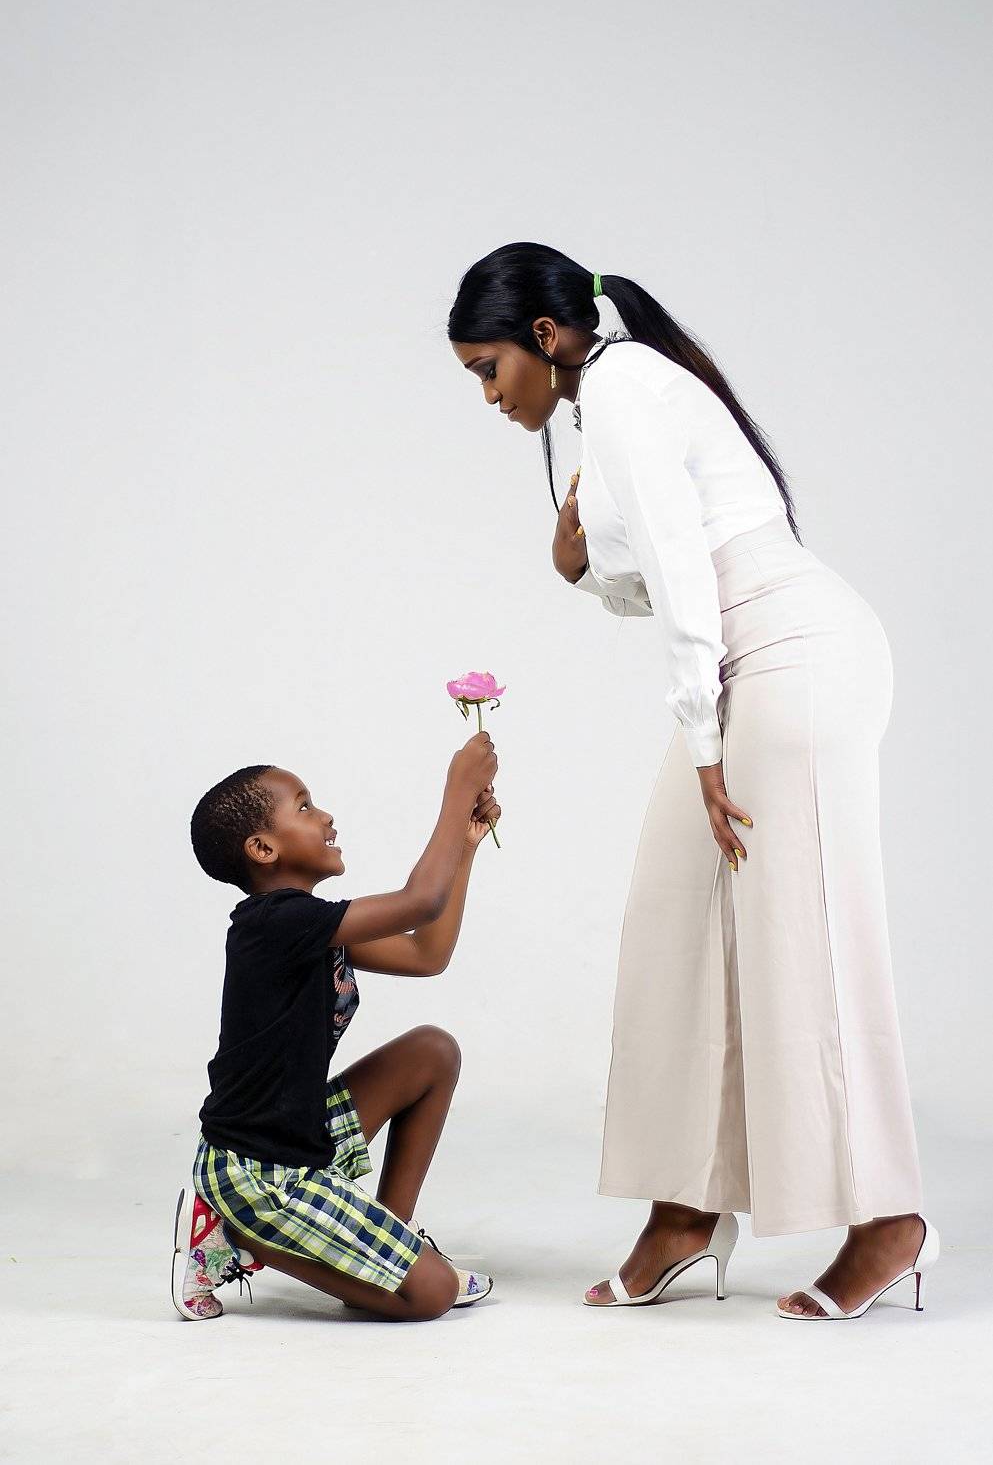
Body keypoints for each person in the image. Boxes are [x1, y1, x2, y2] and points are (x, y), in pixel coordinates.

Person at [449, 242, 938, 1321]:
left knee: (804, 929)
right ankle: (684, 1211)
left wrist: (705, 751)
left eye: (489, 369)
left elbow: (684, 573)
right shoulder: (606, 405)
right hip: (744, 665)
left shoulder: (624, 385)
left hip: (796, 657)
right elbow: (669, 573)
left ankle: (890, 1221)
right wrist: (580, 570)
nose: (488, 396)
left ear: (543, 337)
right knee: (674, 923)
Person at [172, 732, 501, 1321]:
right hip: (257, 1172)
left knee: (431, 1051)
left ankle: (393, 1231)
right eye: (304, 807)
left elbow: (426, 954)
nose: (325, 816)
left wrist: (466, 847)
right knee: (432, 1296)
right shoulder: (273, 924)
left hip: (301, 1136)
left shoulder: (312, 927)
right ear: (263, 848)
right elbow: (420, 900)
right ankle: (231, 1237)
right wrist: (458, 790)